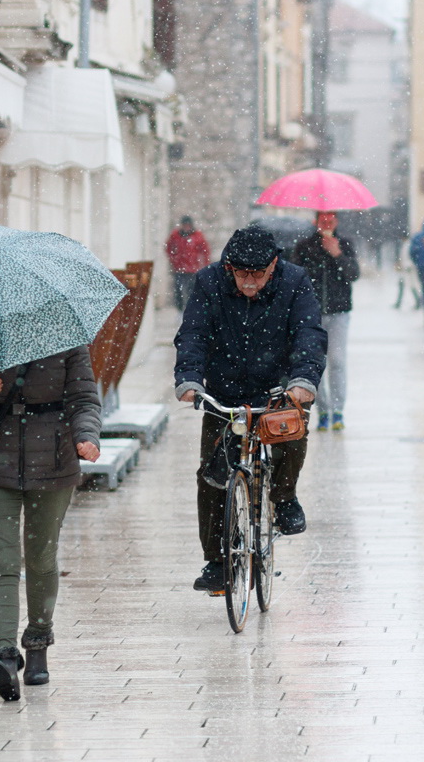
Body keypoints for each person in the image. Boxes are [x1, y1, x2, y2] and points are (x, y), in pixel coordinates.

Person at [174, 225, 327, 594]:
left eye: (257, 273)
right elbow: (193, 332)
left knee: (290, 436)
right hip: (225, 391)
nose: (248, 281)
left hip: (278, 388)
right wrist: (190, 379)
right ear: (229, 267)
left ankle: (285, 497)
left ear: (274, 265)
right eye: (241, 273)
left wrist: (303, 381)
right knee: (212, 474)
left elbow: (309, 333)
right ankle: (216, 561)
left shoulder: (295, 282)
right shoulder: (210, 282)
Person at [0, 349, 103, 701]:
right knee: (2, 562)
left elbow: (84, 399)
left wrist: (87, 436)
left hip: (53, 462)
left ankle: (37, 641)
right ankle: (3, 655)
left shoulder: (67, 337)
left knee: (40, 558)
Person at [291, 211, 360, 431]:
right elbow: (295, 278)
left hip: (339, 313)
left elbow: (354, 274)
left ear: (337, 221)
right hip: (313, 315)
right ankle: (323, 410)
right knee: (316, 364)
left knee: (337, 361)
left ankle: (338, 411)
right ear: (316, 222)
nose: (327, 223)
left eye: (331, 220)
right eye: (323, 220)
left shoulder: (345, 244)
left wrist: (337, 254)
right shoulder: (304, 246)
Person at [165, 216, 212, 311]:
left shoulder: (198, 235)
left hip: (193, 269)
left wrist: (205, 265)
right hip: (179, 269)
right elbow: (168, 248)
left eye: (188, 225)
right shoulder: (175, 235)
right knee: (178, 291)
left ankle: (191, 310)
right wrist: (174, 259)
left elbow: (205, 250)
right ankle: (179, 310)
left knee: (192, 291)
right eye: (184, 225)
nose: (186, 227)